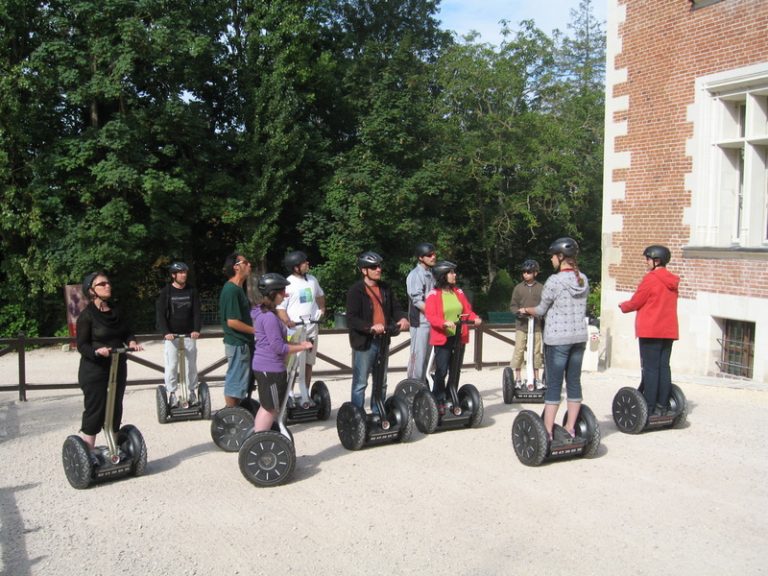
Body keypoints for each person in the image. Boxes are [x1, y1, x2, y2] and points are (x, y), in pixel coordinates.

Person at [520, 237, 589, 441]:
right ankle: (570, 428)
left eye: (552, 256)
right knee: (574, 382)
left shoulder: (554, 281)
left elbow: (541, 310)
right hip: (579, 338)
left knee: (554, 385)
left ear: (561, 257)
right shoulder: (583, 279)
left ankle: (547, 431)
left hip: (558, 339)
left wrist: (526, 309)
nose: (551, 259)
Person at [76, 271, 143, 454]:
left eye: (108, 283)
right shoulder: (86, 316)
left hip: (117, 366)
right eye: (102, 284)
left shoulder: (116, 311)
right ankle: (88, 452)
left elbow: (127, 332)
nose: (108, 286)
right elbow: (81, 345)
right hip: (94, 369)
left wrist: (131, 342)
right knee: (95, 409)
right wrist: (96, 352)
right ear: (91, 290)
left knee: (115, 406)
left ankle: (115, 450)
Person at [618, 245, 680, 416]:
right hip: (668, 331)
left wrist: (623, 306)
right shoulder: (672, 281)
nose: (646, 262)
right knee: (663, 367)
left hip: (651, 330)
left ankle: (650, 407)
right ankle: (663, 405)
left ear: (656, 260)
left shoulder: (651, 278)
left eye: (647, 259)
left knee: (650, 369)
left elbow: (637, 300)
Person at [346, 251, 409, 412]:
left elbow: (396, 308)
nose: (378, 269)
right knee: (361, 382)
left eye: (379, 266)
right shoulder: (356, 290)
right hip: (365, 342)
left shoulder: (385, 288)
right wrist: (370, 327)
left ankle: (377, 412)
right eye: (373, 267)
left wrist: (402, 318)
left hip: (383, 339)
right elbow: (352, 318)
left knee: (382, 381)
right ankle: (356, 415)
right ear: (364, 270)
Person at [251, 273, 314, 432]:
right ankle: (260, 440)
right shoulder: (269, 317)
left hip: (266, 366)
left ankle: (258, 437)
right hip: (270, 368)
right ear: (273, 293)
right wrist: (302, 347)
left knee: (267, 406)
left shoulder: (263, 312)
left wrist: (299, 343)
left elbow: (279, 342)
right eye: (282, 292)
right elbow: (278, 347)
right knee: (270, 408)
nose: (285, 295)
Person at [424, 261, 482, 413]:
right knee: (441, 371)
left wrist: (475, 318)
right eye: (451, 272)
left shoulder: (458, 292)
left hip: (458, 337)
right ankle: (439, 399)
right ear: (443, 275)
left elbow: (467, 310)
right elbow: (430, 315)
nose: (454, 275)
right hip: (443, 337)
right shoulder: (434, 295)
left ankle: (452, 396)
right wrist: (443, 323)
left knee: (455, 369)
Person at [276, 250, 325, 392]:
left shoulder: (312, 280)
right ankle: (289, 394)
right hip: (294, 331)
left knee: (309, 363)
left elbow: (320, 295)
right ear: (295, 267)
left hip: (311, 329)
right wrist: (286, 321)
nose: (307, 263)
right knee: (292, 364)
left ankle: (305, 392)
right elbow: (280, 308)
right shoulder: (288, 283)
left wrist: (322, 309)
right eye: (304, 262)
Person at [156, 261, 202, 407]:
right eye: (180, 273)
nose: (183, 275)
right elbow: (161, 314)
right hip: (172, 336)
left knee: (191, 365)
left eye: (185, 272)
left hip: (189, 335)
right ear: (173, 275)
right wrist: (165, 332)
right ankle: (172, 394)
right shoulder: (166, 292)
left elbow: (196, 312)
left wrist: (196, 329)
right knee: (172, 365)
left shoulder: (191, 291)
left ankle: (193, 392)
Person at [219, 252, 255, 407]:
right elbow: (232, 322)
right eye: (246, 262)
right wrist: (256, 331)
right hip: (237, 343)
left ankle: (238, 412)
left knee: (242, 382)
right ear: (236, 267)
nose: (249, 265)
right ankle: (231, 417)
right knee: (235, 383)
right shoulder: (231, 290)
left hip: (243, 343)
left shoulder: (239, 289)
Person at [508, 259, 544, 391]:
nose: (525, 274)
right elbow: (513, 305)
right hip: (522, 325)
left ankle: (536, 378)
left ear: (535, 273)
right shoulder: (518, 288)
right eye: (524, 272)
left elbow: (544, 305)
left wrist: (539, 313)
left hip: (536, 325)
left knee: (536, 352)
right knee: (519, 349)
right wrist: (517, 312)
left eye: (528, 272)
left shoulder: (541, 288)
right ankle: (517, 377)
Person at [406, 242, 437, 383]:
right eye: (429, 255)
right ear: (420, 258)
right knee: (417, 358)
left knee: (429, 359)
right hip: (420, 322)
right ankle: (412, 388)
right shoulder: (415, 275)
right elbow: (417, 300)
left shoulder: (432, 274)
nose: (433, 257)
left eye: (434, 254)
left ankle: (425, 390)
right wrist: (434, 313)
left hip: (432, 322)